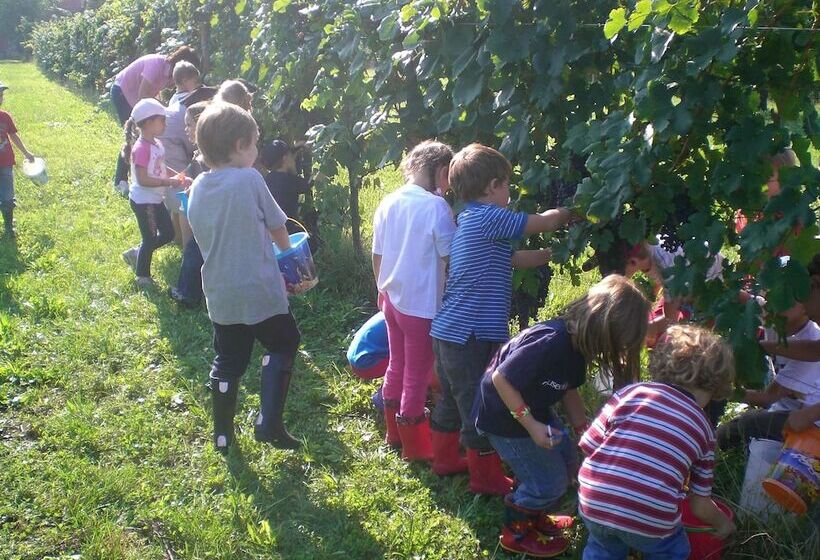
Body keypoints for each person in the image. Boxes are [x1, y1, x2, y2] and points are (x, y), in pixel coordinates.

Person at [429, 143, 573, 495]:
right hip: (470, 335)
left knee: (452, 400)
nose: (509, 191)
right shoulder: (489, 217)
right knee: (476, 407)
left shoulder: (471, 221)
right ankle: (485, 478)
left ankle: (444, 459)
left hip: (449, 331)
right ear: (492, 186)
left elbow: (514, 259)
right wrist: (574, 213)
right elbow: (543, 222)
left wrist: (551, 254)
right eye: (506, 184)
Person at [474, 275, 650, 557]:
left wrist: (583, 431)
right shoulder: (551, 342)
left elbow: (568, 390)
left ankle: (535, 515)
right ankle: (516, 532)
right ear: (605, 329)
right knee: (548, 481)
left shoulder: (579, 348)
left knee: (568, 460)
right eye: (616, 344)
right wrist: (531, 425)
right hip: (504, 418)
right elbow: (501, 379)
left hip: (534, 409)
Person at [186, 102, 301, 453]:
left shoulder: (197, 187)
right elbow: (278, 226)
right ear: (239, 145)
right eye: (254, 144)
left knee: (229, 360)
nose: (256, 152)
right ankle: (268, 423)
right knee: (284, 342)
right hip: (259, 287)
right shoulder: (250, 179)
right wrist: (290, 258)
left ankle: (222, 436)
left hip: (220, 292)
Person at [578, 324, 736, 560]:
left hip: (594, 500)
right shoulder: (704, 429)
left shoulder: (630, 394)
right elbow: (699, 505)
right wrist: (724, 524)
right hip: (650, 517)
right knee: (672, 549)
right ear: (715, 387)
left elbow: (588, 445)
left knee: (604, 547)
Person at [371, 140, 457, 462]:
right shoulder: (436, 207)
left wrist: (381, 289)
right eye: (449, 178)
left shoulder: (388, 201)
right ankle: (415, 447)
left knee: (397, 365)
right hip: (421, 306)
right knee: (416, 376)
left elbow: (377, 255)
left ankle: (393, 434)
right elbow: (450, 256)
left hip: (391, 299)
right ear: (441, 171)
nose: (449, 187)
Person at [717, 301, 819, 450]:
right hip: (781, 408)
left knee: (748, 423)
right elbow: (745, 298)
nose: (774, 301)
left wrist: (722, 391)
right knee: (724, 434)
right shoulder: (773, 316)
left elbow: (767, 397)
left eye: (788, 299)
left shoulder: (809, 345)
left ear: (805, 308)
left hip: (806, 421)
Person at [110, 46, 200, 194]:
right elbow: (143, 95)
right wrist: (162, 111)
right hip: (122, 92)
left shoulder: (167, 74)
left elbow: (153, 94)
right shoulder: (156, 65)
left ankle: (141, 173)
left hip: (135, 96)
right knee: (133, 136)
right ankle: (121, 181)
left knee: (142, 138)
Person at [121, 99, 189, 287]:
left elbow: (160, 167)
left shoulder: (156, 144)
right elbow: (143, 179)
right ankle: (142, 276)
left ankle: (138, 253)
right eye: (162, 121)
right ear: (149, 122)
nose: (165, 124)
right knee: (150, 238)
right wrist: (168, 182)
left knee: (168, 233)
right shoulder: (141, 148)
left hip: (155, 199)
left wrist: (179, 176)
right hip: (144, 202)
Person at [167, 101, 210, 308]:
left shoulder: (204, 158)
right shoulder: (201, 154)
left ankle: (188, 294)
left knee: (193, 250)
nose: (186, 129)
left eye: (189, 125)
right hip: (205, 214)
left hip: (206, 216)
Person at [158, 61, 201, 246]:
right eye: (195, 81)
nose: (197, 84)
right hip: (173, 146)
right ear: (185, 80)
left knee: (175, 195)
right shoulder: (193, 101)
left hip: (165, 144)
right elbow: (191, 138)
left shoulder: (175, 99)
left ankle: (177, 239)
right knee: (183, 195)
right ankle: (185, 244)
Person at [0, 81, 36, 238]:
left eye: (1, 95)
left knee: (8, 196)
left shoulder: (5, 117)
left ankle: (8, 227)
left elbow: (13, 135)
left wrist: (26, 153)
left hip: (5, 163)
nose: (0, 98)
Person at [260, 139, 311, 234]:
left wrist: (296, 148)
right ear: (285, 158)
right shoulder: (290, 181)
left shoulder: (268, 179)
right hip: (289, 231)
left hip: (272, 231)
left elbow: (284, 155)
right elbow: (309, 184)